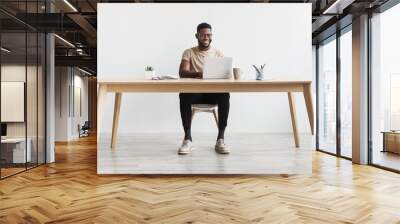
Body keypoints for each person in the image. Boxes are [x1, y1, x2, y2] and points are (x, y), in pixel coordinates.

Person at [178, 22, 230, 155]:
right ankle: (187, 139)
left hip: (213, 93)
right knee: (183, 94)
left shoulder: (218, 53)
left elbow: (225, 74)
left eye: (208, 34)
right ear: (197, 36)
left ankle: (221, 139)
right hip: (195, 92)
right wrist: (199, 74)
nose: (206, 37)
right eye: (203, 35)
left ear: (211, 36)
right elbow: (182, 72)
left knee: (225, 94)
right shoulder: (189, 52)